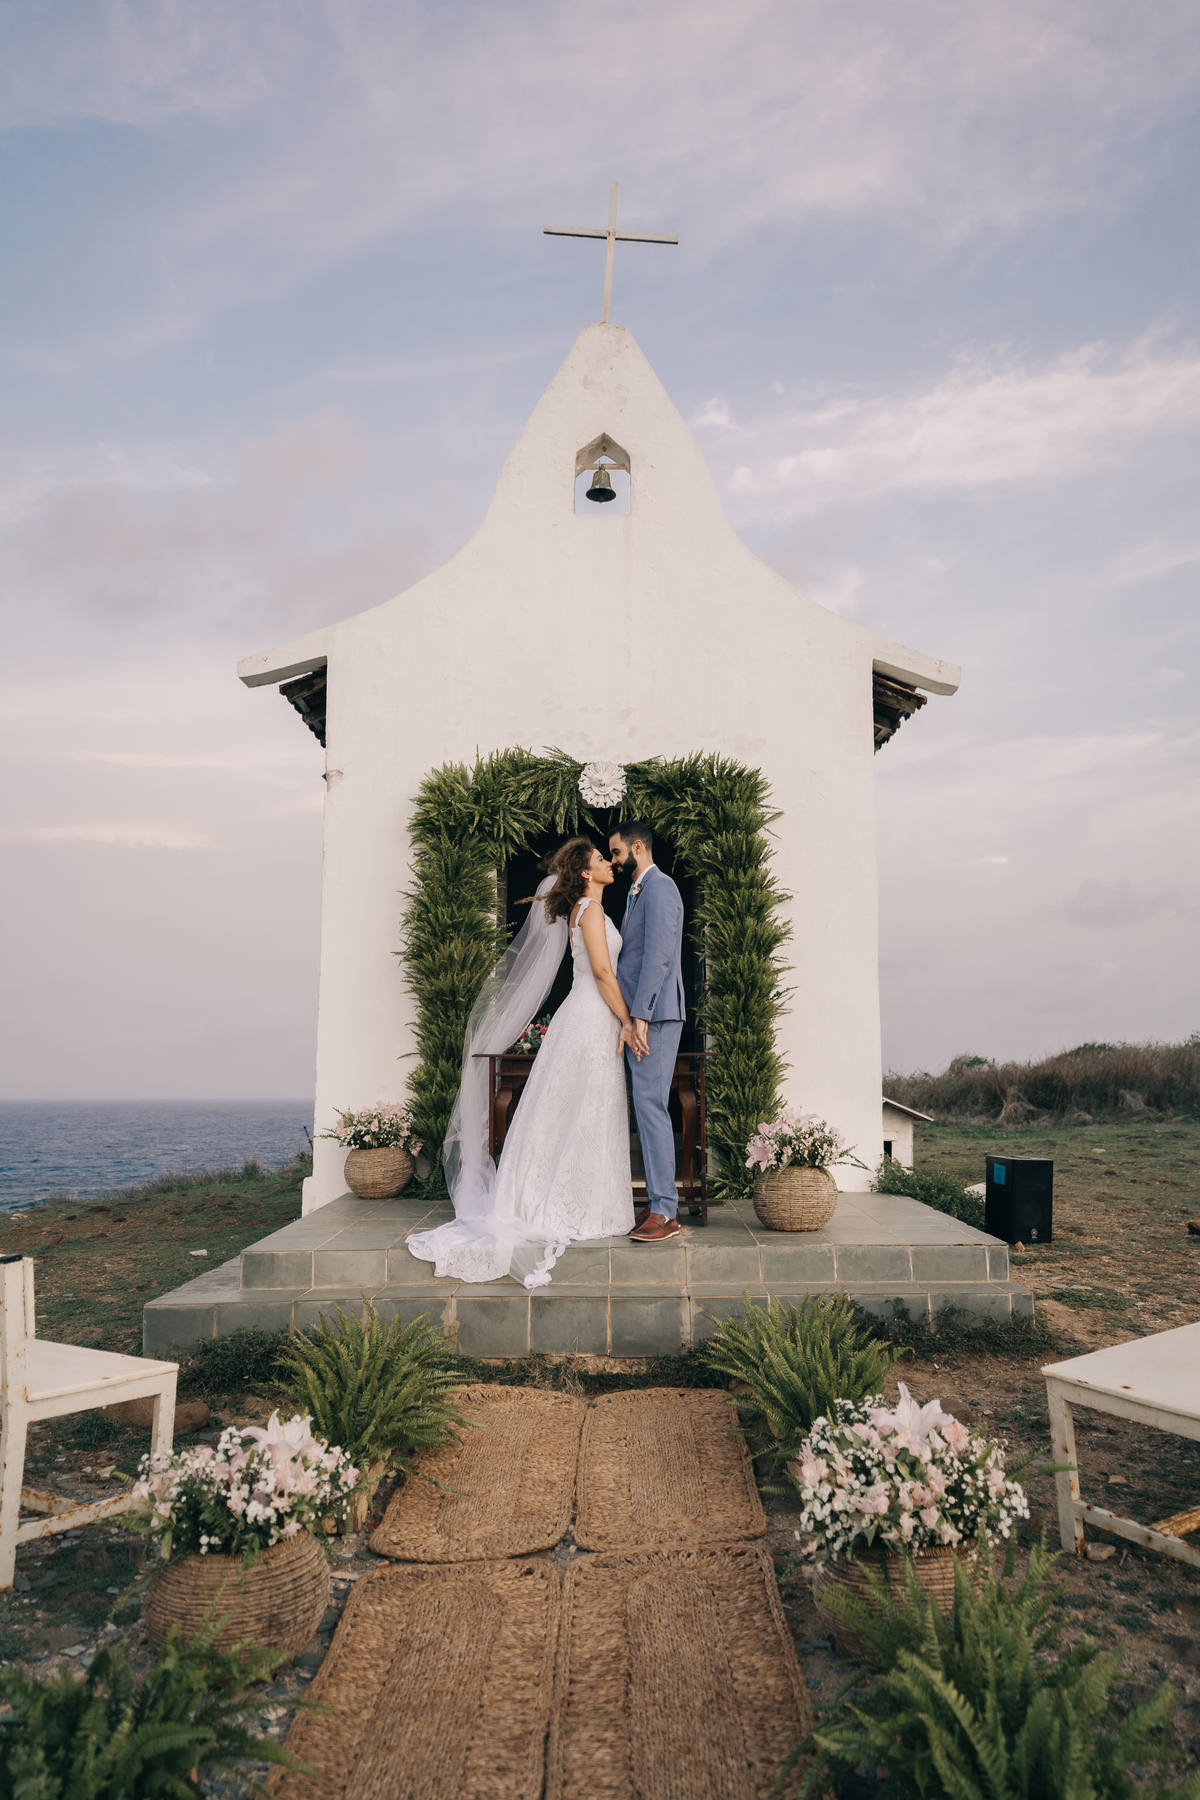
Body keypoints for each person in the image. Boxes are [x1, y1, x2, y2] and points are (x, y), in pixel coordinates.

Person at [406, 837, 639, 1289]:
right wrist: (627, 1021)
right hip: (590, 1017)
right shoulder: (590, 910)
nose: (610, 863)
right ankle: (568, 1203)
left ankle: (584, 1199)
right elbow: (602, 972)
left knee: (580, 1110)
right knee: (580, 1108)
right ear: (586, 872)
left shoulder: (591, 910)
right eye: (600, 859)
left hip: (591, 1017)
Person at [608, 820, 687, 1243]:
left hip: (653, 1017)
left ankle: (666, 1212)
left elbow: (659, 956)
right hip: (643, 1016)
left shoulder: (660, 888)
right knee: (645, 1107)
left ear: (638, 847)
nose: (615, 861)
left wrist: (640, 1016)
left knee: (652, 1106)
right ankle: (657, 1201)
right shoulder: (639, 891)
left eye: (617, 852)